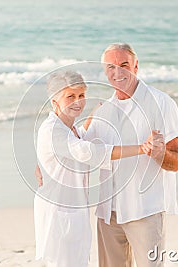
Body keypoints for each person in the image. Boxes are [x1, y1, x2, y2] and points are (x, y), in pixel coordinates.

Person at [34, 70, 154, 267]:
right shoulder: (53, 130)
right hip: (60, 212)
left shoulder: (68, 127)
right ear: (55, 102)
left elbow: (81, 137)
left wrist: (92, 115)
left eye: (81, 95)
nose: (78, 101)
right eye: (70, 96)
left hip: (74, 209)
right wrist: (141, 148)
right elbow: (88, 151)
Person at [84, 43, 178, 267]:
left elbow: (176, 161)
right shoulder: (103, 110)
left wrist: (159, 154)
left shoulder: (161, 103)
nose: (117, 72)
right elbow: (80, 151)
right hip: (108, 213)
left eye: (124, 65)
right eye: (110, 67)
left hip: (145, 211)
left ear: (136, 66)